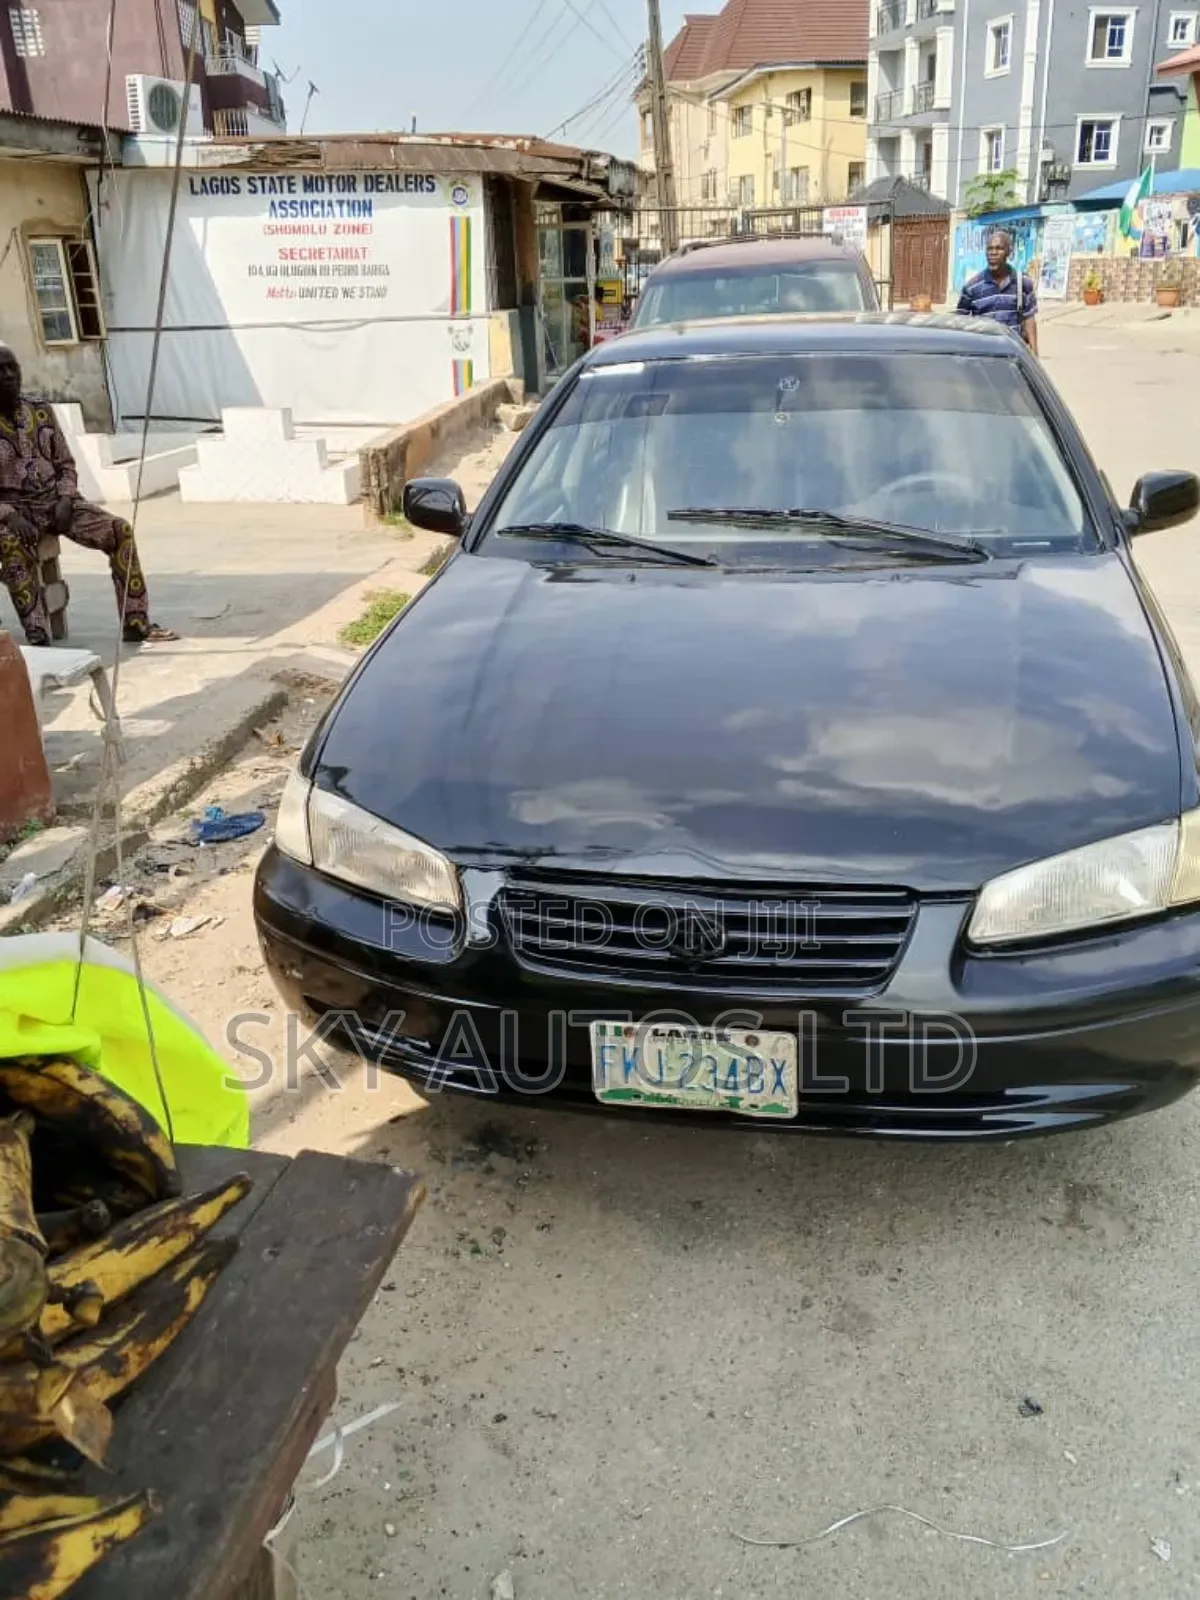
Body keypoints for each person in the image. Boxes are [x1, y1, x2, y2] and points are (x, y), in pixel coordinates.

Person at [0, 343, 177, 647]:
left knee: (120, 530)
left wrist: (67, 499)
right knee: (11, 545)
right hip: (12, 512)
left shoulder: (40, 408)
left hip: (56, 502)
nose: (8, 376)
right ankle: (38, 635)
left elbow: (65, 464)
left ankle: (135, 621)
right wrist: (11, 516)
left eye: (12, 368)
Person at [955, 229, 1039, 356]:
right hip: (983, 356)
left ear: (1009, 252)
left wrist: (1034, 354)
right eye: (990, 249)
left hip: (1012, 355)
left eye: (999, 248)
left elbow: (1029, 319)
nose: (993, 253)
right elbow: (960, 322)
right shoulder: (972, 287)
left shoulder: (1023, 283)